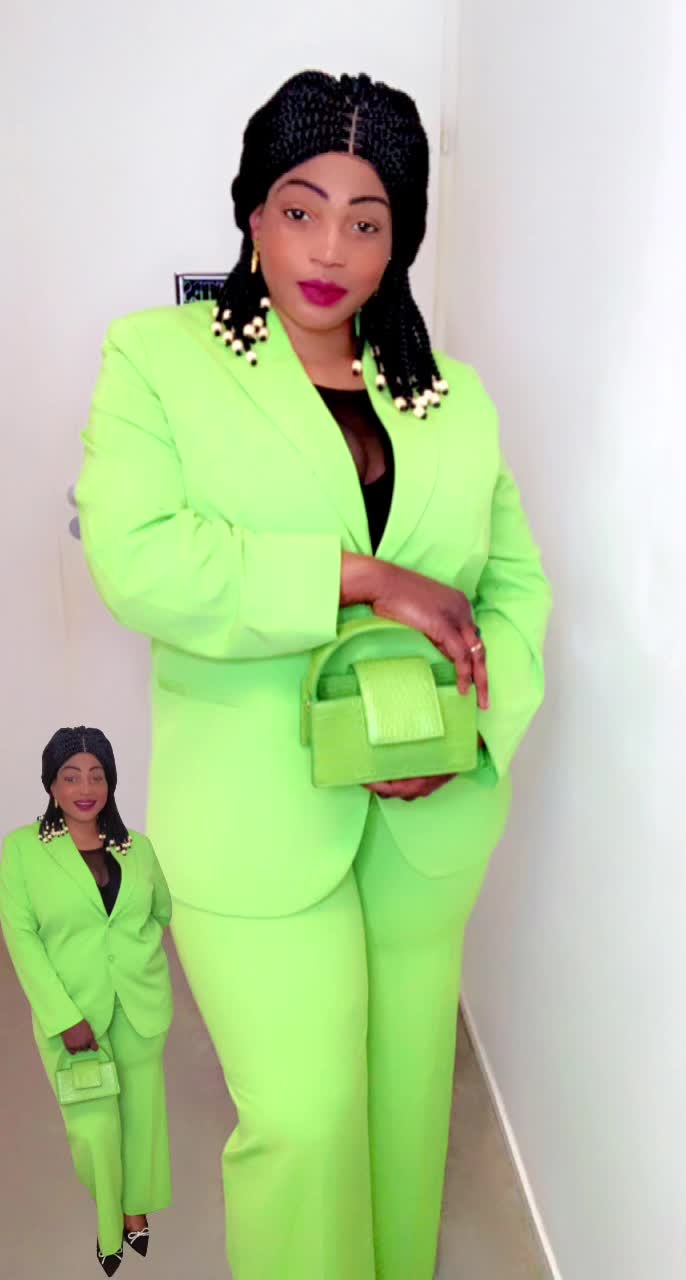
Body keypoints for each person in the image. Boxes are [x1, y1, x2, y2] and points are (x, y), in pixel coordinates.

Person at [75, 70, 551, 1280]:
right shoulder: (160, 359)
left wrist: (472, 735)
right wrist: (363, 577)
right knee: (306, 1115)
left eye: (367, 219)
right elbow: (141, 559)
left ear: (402, 238)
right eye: (300, 209)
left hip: (423, 819)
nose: (330, 248)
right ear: (253, 210)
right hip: (255, 816)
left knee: (402, 1109)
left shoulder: (452, 399)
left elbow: (512, 588)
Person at [0, 727, 173, 1275]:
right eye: (71, 776)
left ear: (111, 782)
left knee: (141, 1117)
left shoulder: (137, 847)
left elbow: (160, 912)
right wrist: (63, 1016)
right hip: (74, 1013)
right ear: (51, 784)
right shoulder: (22, 850)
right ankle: (108, 1225)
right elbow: (21, 937)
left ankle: (135, 1209)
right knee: (95, 1127)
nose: (85, 788)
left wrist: (138, 959)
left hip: (139, 1006)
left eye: (97, 776)